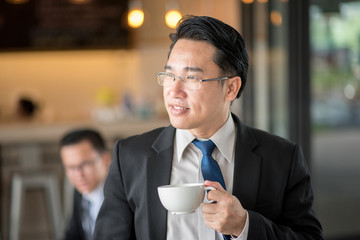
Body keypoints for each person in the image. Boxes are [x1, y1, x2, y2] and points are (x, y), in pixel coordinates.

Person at [93, 15, 323, 240]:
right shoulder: (131, 157)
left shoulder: (282, 157)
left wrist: (245, 226)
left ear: (231, 88)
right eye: (170, 75)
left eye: (192, 79)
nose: (173, 91)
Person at [60, 129, 111, 240]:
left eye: (85, 164)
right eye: (71, 167)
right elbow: (73, 234)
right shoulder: (80, 190)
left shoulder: (122, 195)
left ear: (105, 160)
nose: (78, 174)